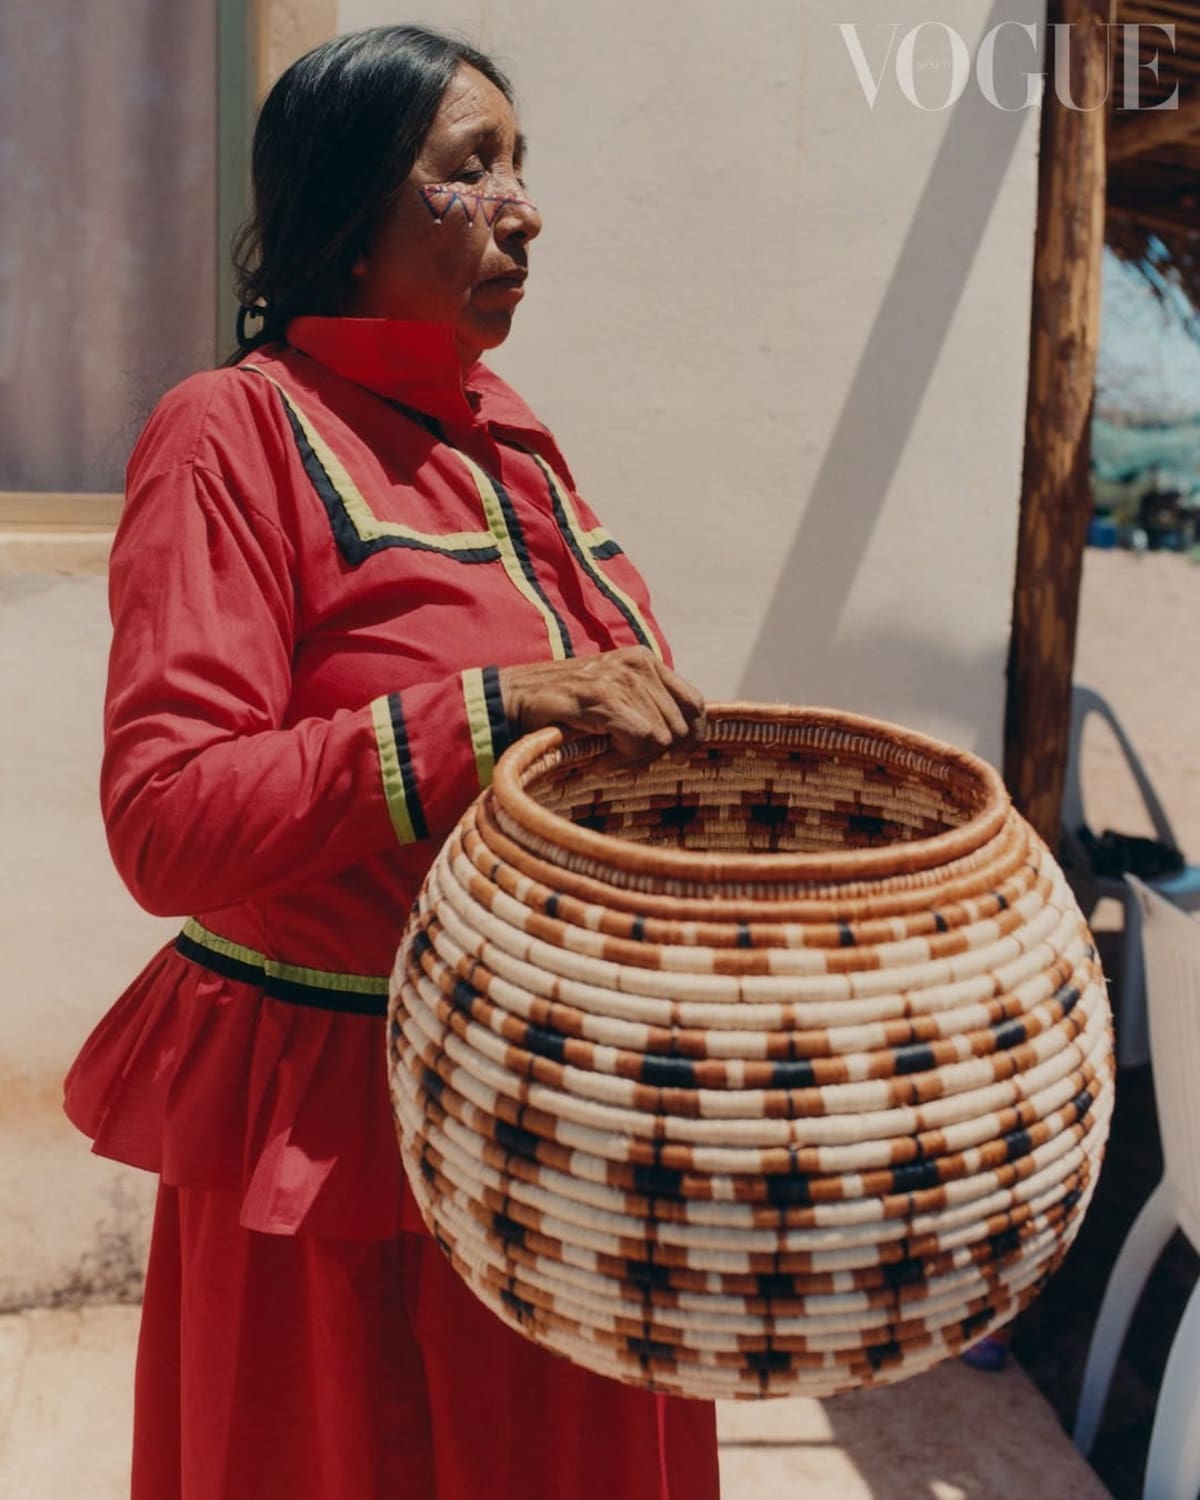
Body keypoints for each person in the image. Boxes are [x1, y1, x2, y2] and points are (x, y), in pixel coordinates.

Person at [63, 25, 718, 1500]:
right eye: (469, 170)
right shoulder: (233, 432)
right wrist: (492, 712)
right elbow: (166, 821)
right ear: (351, 213)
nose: (523, 207)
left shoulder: (511, 441)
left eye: (520, 165)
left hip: (563, 1109)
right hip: (344, 1143)